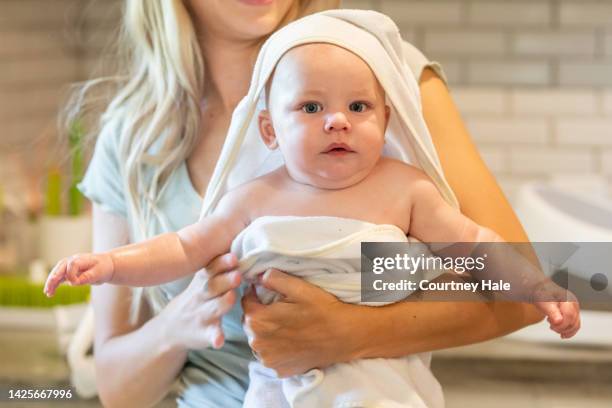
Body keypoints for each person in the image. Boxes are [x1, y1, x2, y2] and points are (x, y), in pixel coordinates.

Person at [63, 1, 564, 407]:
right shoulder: (134, 136)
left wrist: (351, 332)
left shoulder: (386, 70)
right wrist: (178, 324)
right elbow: (115, 387)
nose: (338, 121)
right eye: (309, 107)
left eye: (359, 108)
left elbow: (534, 280)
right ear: (268, 128)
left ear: (384, 115)